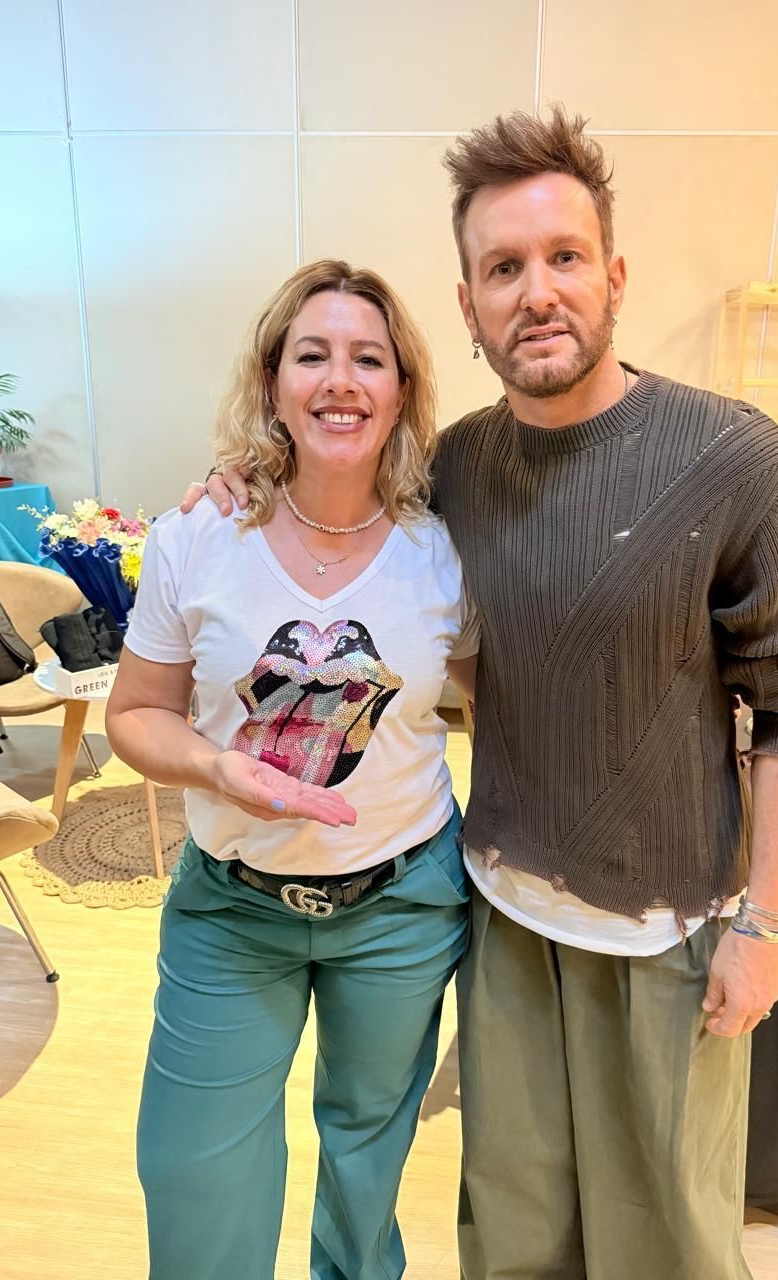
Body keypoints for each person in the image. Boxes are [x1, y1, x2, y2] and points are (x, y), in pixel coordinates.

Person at [188, 108, 778, 1280]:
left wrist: (768, 924)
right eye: (504, 268)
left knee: (670, 1243)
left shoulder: (732, 460)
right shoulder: (463, 467)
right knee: (512, 1234)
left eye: (562, 258)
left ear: (613, 273)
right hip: (499, 914)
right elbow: (351, 500)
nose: (536, 292)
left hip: (672, 927)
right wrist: (250, 470)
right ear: (468, 303)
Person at [107, 258, 479, 1280]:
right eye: (312, 354)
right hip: (232, 906)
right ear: (274, 377)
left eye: (369, 358)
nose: (340, 380)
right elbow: (135, 712)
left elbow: (497, 702)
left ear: (402, 386)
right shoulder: (199, 533)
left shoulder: (443, 549)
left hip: (402, 906)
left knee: (366, 1169)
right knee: (192, 1173)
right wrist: (221, 770)